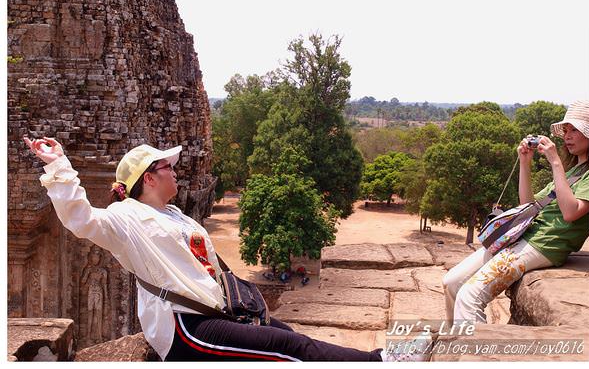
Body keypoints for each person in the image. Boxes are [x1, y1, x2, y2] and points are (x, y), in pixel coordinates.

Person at [24, 137, 432, 362]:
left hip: (215, 313)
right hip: (184, 328)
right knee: (289, 350)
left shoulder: (179, 217)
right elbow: (80, 219)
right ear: (149, 178)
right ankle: (381, 361)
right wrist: (58, 166)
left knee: (285, 333)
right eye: (168, 167)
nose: (175, 171)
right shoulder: (126, 219)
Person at [442, 100, 589, 324]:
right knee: (452, 282)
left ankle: (474, 354)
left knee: (469, 296)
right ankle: (455, 342)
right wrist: (525, 162)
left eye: (575, 130)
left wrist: (555, 163)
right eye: (566, 130)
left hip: (545, 244)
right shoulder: (574, 171)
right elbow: (527, 204)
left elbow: (571, 213)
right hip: (522, 236)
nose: (568, 136)